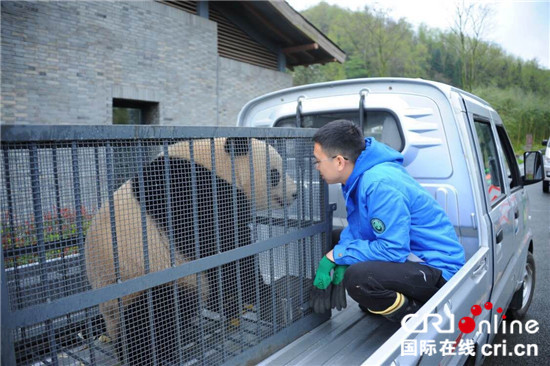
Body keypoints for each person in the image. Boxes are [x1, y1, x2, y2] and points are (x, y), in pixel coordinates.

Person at [310, 120, 465, 322]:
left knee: (359, 278)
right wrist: (341, 255)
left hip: (437, 270)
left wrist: (337, 256)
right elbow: (359, 229)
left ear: (339, 161)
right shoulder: (358, 176)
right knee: (333, 239)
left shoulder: (379, 183)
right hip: (410, 257)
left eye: (318, 161)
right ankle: (383, 299)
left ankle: (414, 313)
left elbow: (393, 249)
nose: (316, 167)